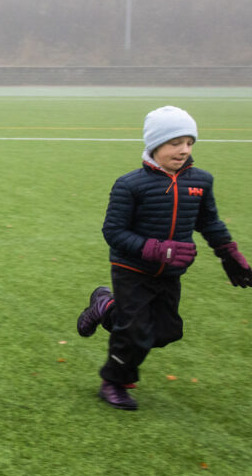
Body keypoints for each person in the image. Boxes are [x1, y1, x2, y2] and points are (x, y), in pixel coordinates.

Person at [75, 105, 251, 410]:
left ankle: (105, 307)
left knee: (167, 332)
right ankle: (114, 382)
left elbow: (209, 222)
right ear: (155, 144)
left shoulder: (201, 181)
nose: (184, 150)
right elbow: (113, 232)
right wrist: (157, 249)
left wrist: (228, 254)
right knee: (134, 331)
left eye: (189, 142)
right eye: (175, 143)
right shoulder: (129, 184)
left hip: (171, 272)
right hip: (131, 268)